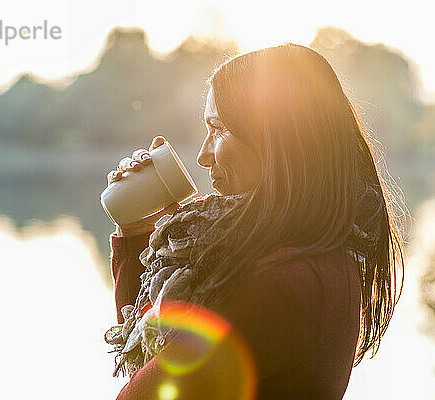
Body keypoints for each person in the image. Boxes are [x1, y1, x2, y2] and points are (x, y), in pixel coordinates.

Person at [104, 43, 405, 399]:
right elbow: (151, 360)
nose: (202, 156)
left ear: (275, 139)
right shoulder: (313, 253)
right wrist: (139, 234)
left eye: (218, 129)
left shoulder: (278, 284)